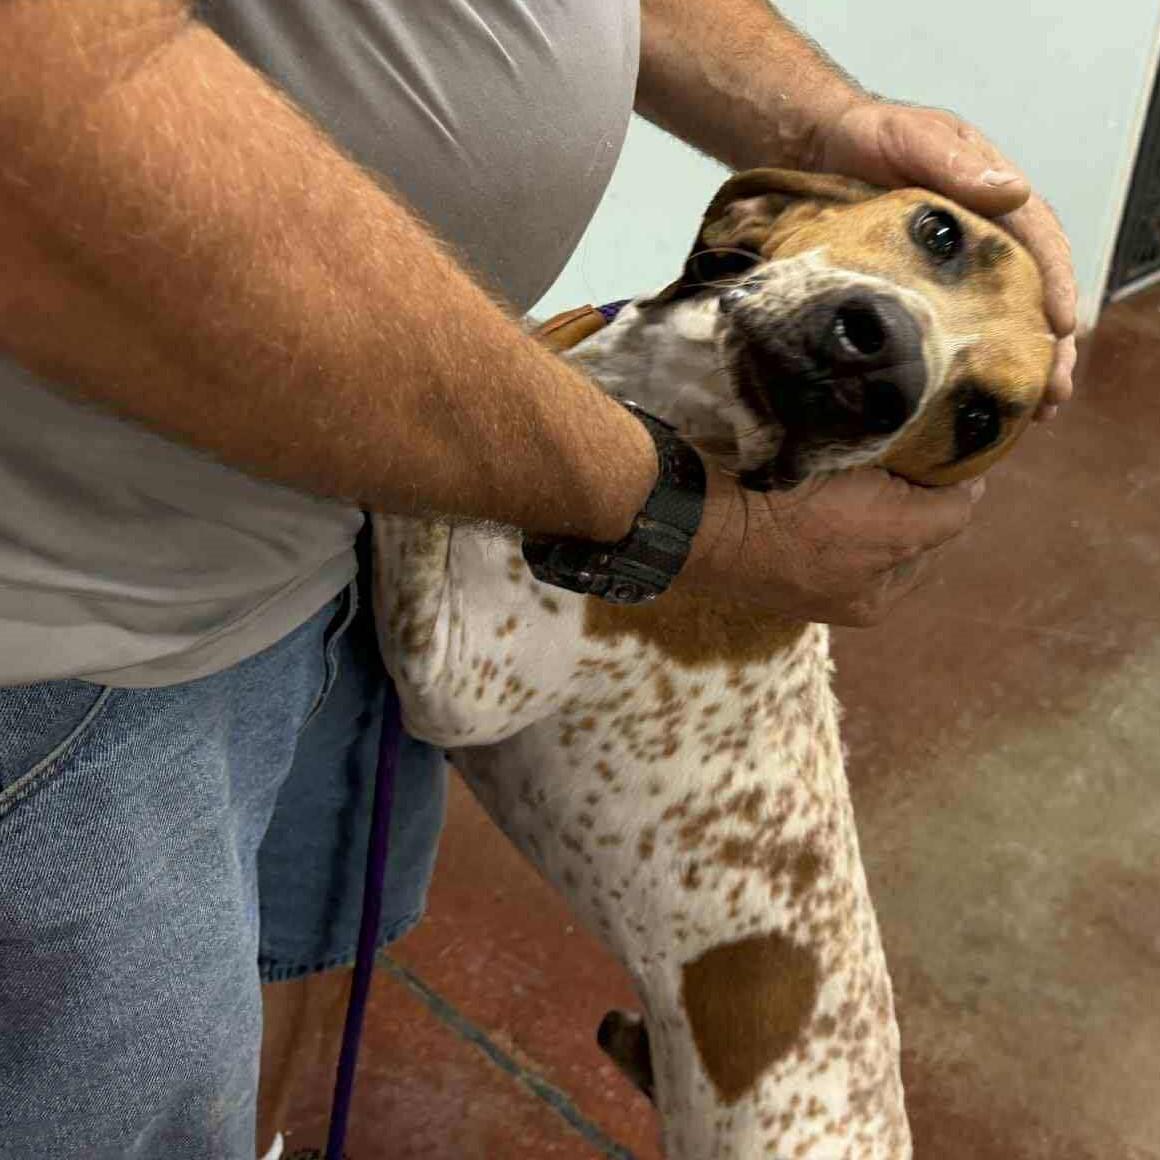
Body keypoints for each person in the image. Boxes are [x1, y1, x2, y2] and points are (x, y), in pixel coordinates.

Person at [0, 3, 1075, 1158]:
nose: (904, 344)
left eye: (966, 408)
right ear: (764, 212)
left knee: (294, 967)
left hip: (304, 588)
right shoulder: (674, 453)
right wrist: (519, 454)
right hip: (92, 621)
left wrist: (831, 112)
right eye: (935, 239)